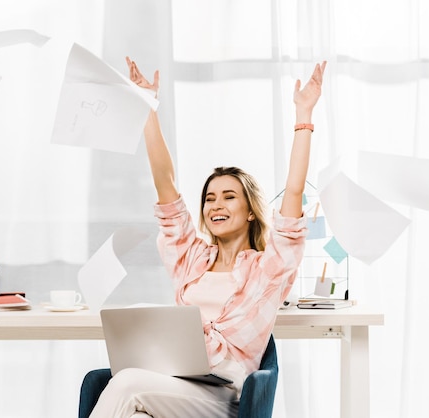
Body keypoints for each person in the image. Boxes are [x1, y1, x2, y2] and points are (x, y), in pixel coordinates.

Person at [89, 58, 327, 418]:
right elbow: (165, 185)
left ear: (250, 210)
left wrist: (304, 116)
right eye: (210, 198)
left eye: (229, 197)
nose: (216, 205)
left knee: (124, 384)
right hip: (174, 383)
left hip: (225, 397)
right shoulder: (191, 259)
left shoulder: (270, 267)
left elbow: (294, 191)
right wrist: (147, 108)